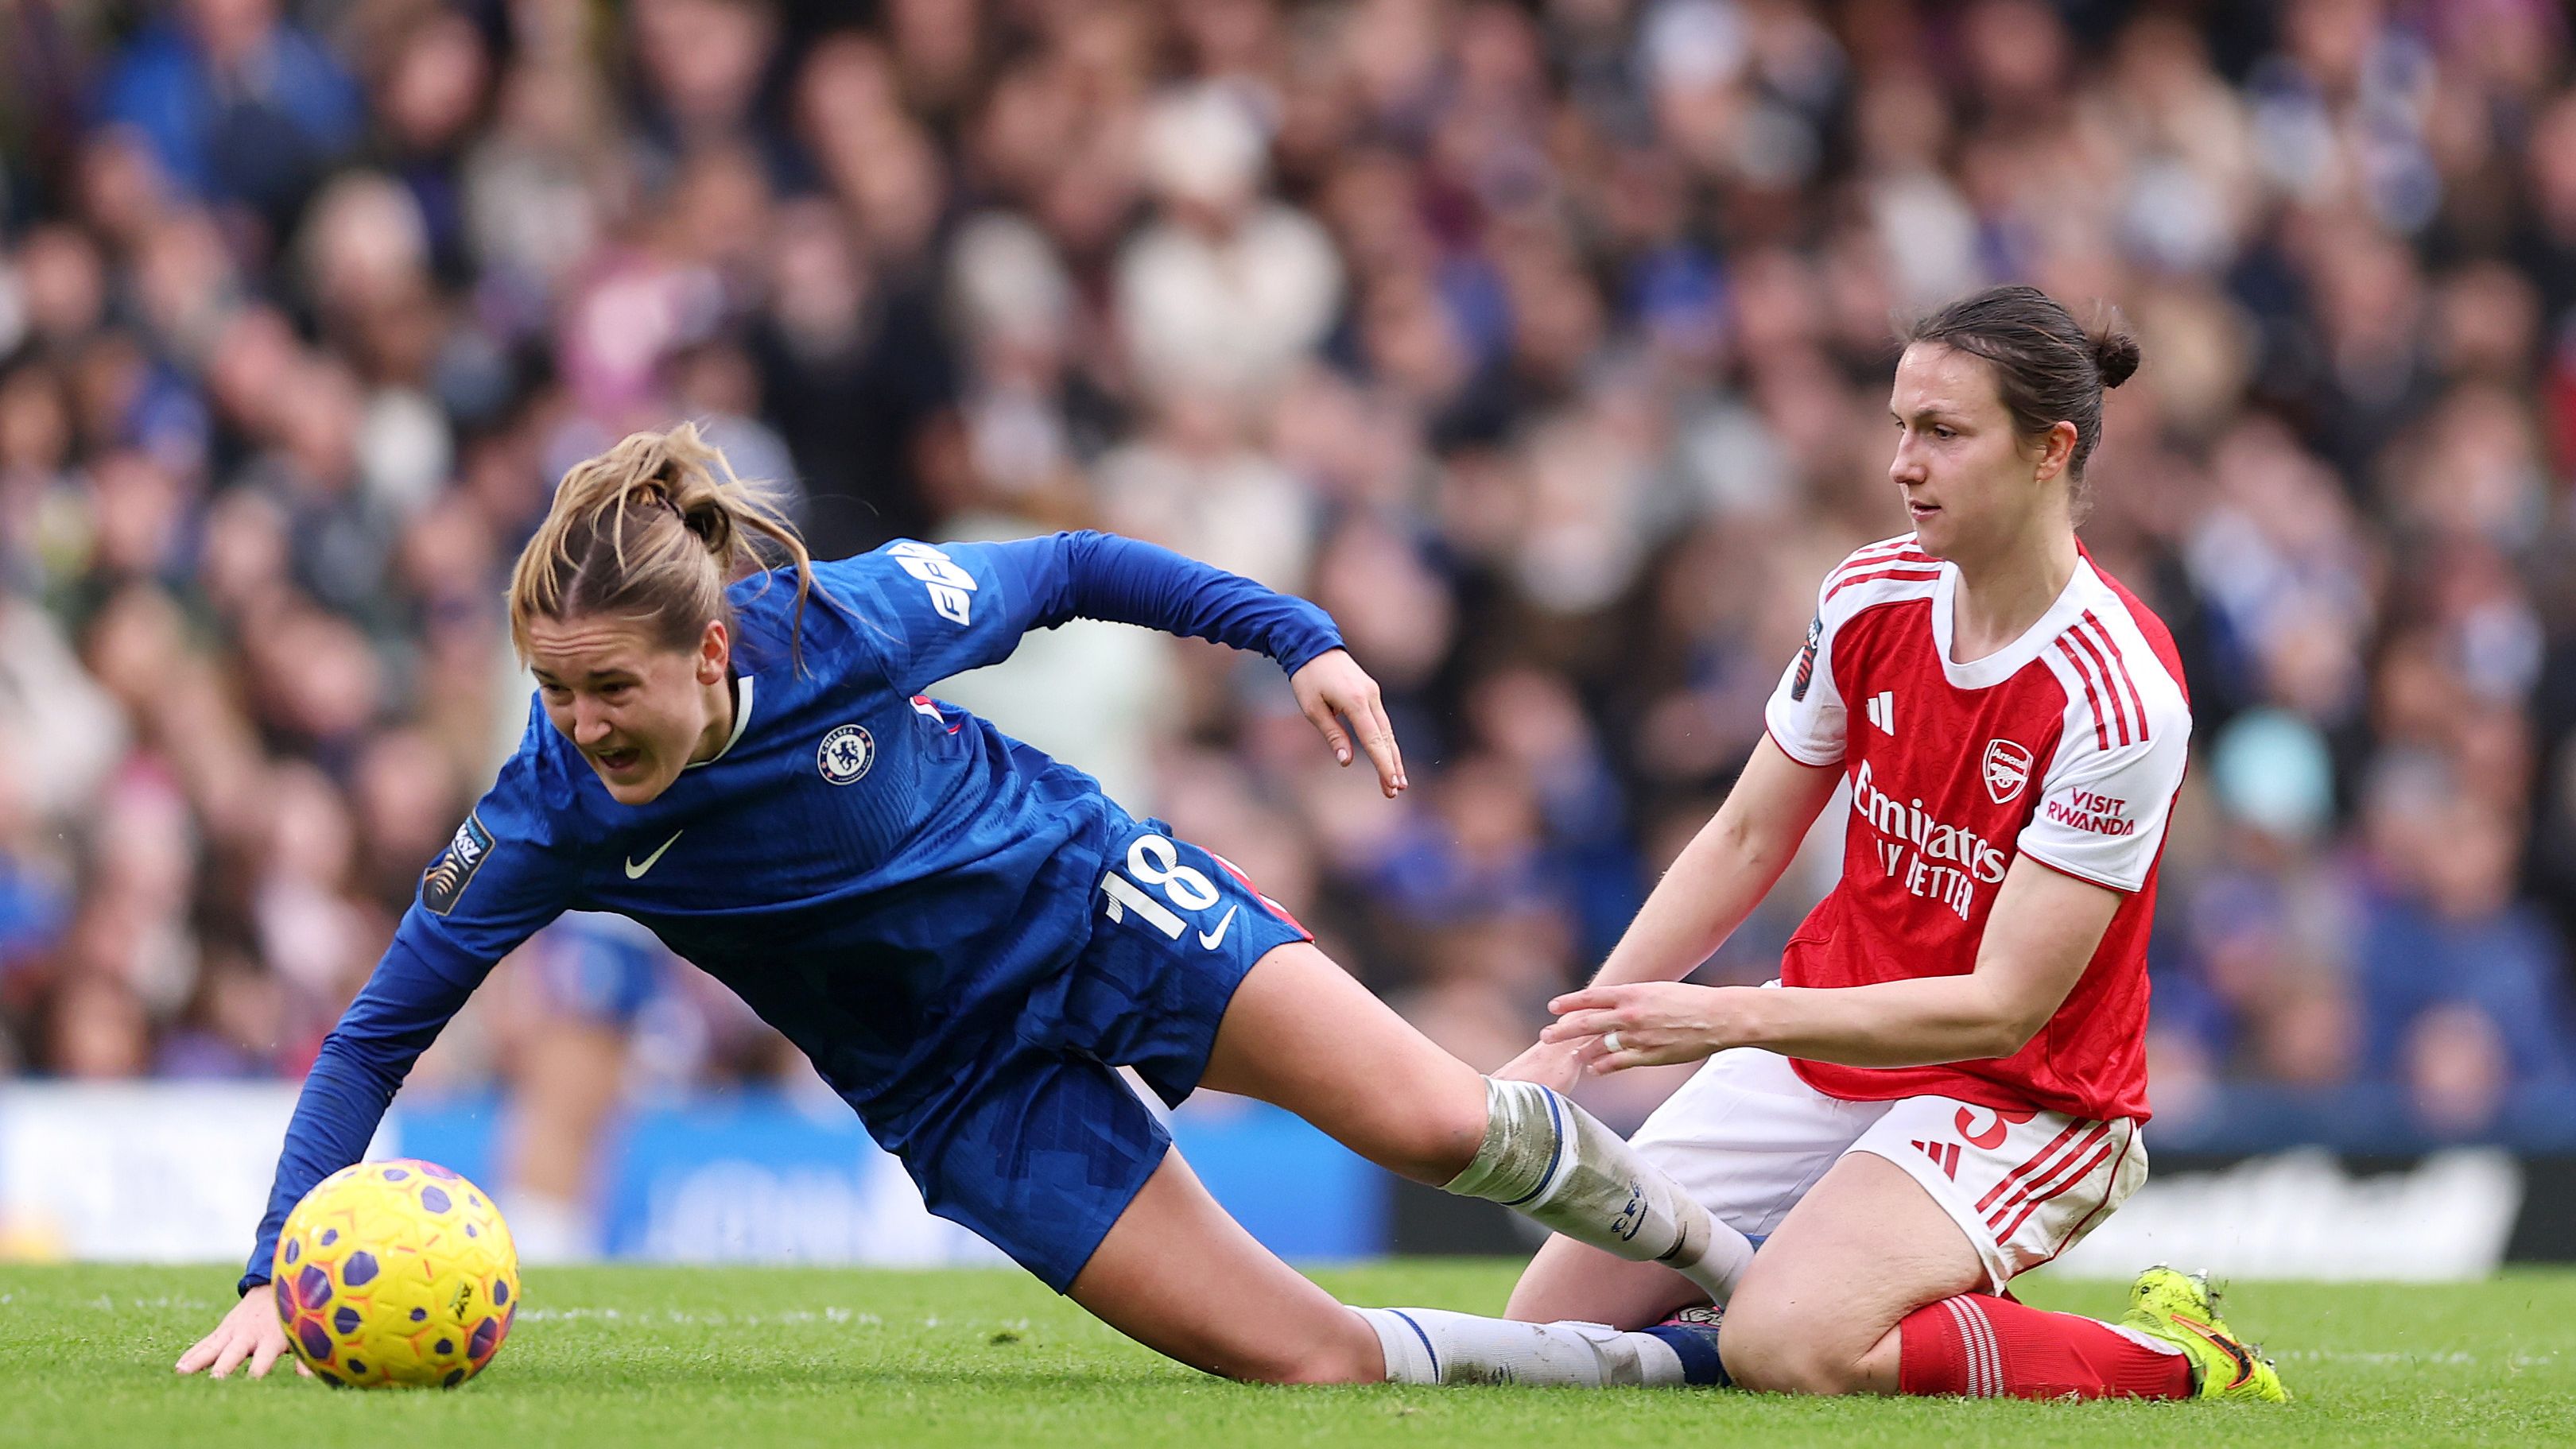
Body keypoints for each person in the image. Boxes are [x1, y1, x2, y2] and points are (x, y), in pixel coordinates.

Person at [178, 422, 1748, 1389]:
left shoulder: (842, 623)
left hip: (1093, 904)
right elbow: (375, 1032)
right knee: (1311, 1362)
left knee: (1436, 1124)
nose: (580, 725)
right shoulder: (544, 815)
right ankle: (1669, 1370)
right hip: (957, 1091)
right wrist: (270, 1273)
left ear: (711, 649)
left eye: (609, 688)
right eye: (552, 690)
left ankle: (1742, 1269)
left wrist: (1297, 636)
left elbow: (1066, 565)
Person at [1499, 285, 2290, 1402]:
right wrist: (1583, 1033)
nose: (1902, 464)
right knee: (1543, 1338)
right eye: (1900, 426)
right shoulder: (1868, 594)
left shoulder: (2117, 694)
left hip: (2019, 1096)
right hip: (1822, 1042)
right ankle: (1834, 1293)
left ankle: (2175, 1357)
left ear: (2049, 451)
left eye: (1943, 432)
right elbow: (1745, 836)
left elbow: (2002, 1007)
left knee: (1787, 1347)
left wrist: (1728, 1018)